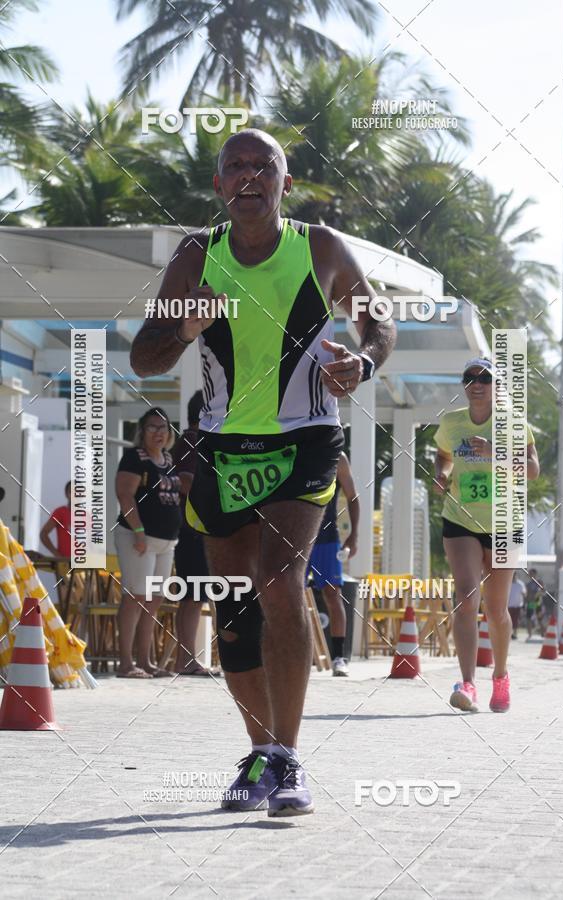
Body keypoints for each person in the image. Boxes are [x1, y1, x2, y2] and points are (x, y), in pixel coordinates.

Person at [130, 128, 395, 815]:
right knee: (234, 598)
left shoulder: (321, 248)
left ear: (285, 180)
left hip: (305, 438)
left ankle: (288, 757)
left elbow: (380, 322)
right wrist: (185, 328)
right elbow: (144, 358)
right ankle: (262, 752)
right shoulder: (197, 255)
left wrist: (362, 363)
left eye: (263, 166)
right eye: (235, 167)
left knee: (280, 580)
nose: (249, 176)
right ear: (219, 187)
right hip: (220, 447)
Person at [433, 358, 539, 713]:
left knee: (496, 609)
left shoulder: (513, 425)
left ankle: (501, 675)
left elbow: (533, 470)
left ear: (497, 386)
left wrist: (496, 454)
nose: (476, 383)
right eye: (470, 378)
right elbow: (443, 455)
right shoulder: (452, 422)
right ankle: (467, 683)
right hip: (460, 519)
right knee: (466, 597)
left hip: (504, 522)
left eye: (485, 378)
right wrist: (441, 474)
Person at [114, 407, 182, 679]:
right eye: (152, 427)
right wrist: (139, 532)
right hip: (138, 538)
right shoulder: (134, 458)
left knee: (154, 599)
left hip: (167, 542)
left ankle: (146, 660)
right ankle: (126, 662)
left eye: (163, 428)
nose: (159, 433)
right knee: (135, 597)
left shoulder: (168, 459)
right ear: (142, 431)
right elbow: (125, 495)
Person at [171, 390, 221, 676]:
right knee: (192, 596)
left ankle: (187, 657)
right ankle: (186, 658)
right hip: (193, 528)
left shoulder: (192, 440)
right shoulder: (193, 440)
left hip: (193, 528)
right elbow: (186, 480)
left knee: (195, 595)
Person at [305, 451, 359, 676]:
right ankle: (294, 653)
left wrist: (354, 535)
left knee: (332, 595)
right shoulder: (292, 445)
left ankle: (339, 657)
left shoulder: (337, 457)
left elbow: (352, 496)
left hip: (326, 538)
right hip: (296, 536)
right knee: (288, 594)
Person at [40, 481, 72, 559]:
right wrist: (57, 556)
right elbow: (43, 534)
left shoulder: (88, 515)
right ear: (66, 494)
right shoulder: (60, 512)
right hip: (65, 565)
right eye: (72, 492)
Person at [525, 569, 543, 640]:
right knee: (528, 618)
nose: (530, 575)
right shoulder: (529, 584)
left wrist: (536, 595)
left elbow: (542, 591)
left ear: (535, 574)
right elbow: (528, 593)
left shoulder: (539, 582)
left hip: (537, 602)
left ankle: (542, 633)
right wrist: (527, 599)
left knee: (539, 619)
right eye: (529, 574)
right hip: (531, 602)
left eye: (531, 574)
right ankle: (530, 634)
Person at [508, 572, 525, 639]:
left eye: (515, 575)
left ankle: (515, 634)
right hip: (509, 605)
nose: (514, 576)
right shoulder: (508, 583)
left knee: (516, 620)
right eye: (512, 575)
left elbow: (524, 592)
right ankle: (509, 634)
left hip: (518, 605)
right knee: (509, 620)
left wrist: (524, 594)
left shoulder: (520, 584)